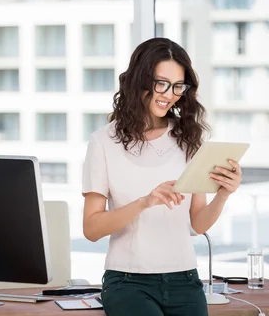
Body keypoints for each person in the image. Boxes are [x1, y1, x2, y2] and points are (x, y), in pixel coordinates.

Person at [82, 37, 242, 316]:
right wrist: (144, 202)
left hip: (185, 279)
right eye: (162, 83)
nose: (169, 94)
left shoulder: (188, 138)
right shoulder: (103, 142)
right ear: (139, 80)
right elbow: (92, 229)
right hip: (127, 282)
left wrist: (224, 194)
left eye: (178, 86)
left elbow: (198, 222)